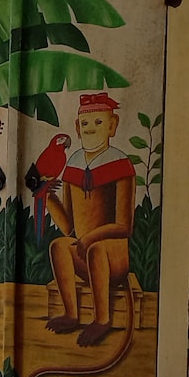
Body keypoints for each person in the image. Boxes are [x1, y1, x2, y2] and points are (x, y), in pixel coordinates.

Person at [44, 92, 136, 346]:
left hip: (112, 256)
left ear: (112, 126)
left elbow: (124, 226)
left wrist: (91, 238)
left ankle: (102, 319)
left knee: (96, 249)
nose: (91, 129)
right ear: (77, 127)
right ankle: (71, 314)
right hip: (85, 253)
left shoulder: (121, 164)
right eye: (85, 123)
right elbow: (69, 227)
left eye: (98, 122)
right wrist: (48, 198)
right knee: (59, 245)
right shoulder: (73, 164)